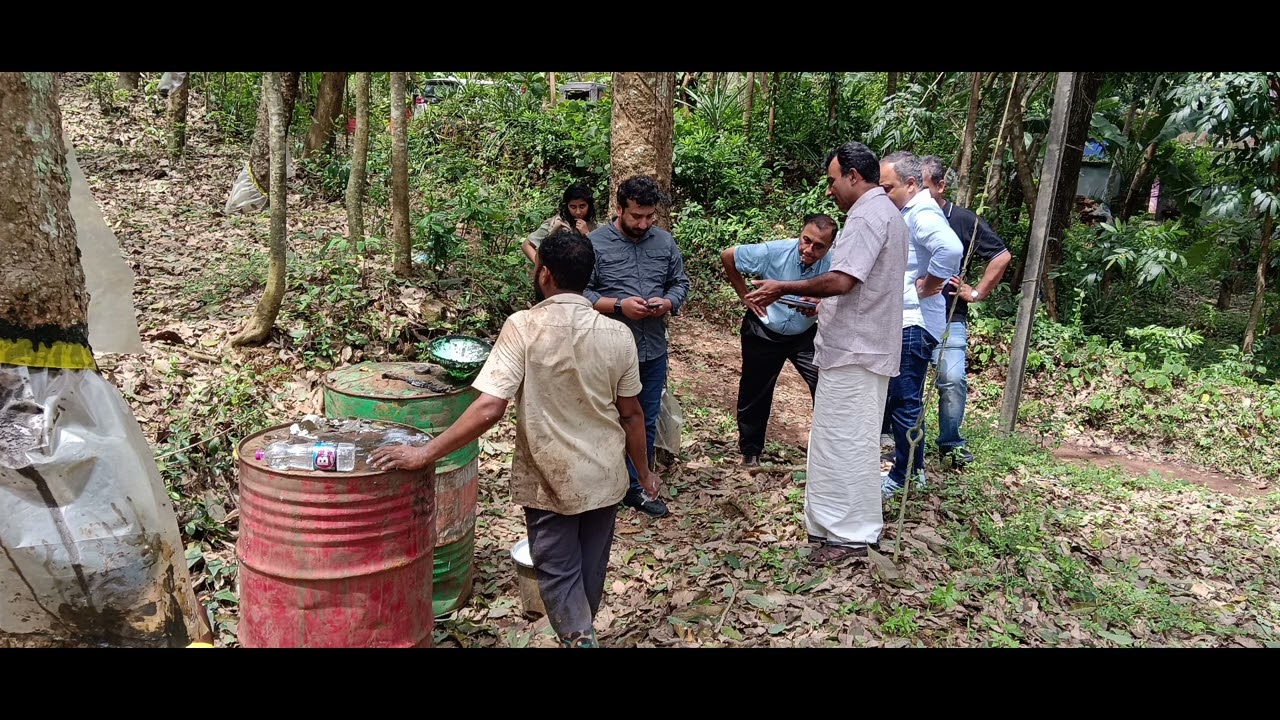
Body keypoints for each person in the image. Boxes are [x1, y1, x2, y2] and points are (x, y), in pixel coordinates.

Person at [370, 231, 661, 649]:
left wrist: (426, 453)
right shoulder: (618, 335)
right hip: (605, 478)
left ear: (544, 273)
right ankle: (582, 634)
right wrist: (645, 473)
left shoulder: (523, 327)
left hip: (551, 479)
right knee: (587, 572)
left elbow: (490, 407)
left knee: (558, 574)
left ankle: (579, 639)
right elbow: (632, 414)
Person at [744, 141, 908, 564]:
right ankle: (831, 526)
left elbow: (841, 281)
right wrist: (820, 302)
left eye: (833, 180)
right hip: (855, 347)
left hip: (857, 351)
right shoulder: (881, 213)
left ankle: (850, 534)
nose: (829, 190)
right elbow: (855, 287)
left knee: (848, 442)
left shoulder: (869, 215)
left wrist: (783, 286)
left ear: (854, 176)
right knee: (837, 440)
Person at [583, 175, 690, 518]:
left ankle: (633, 487)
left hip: (652, 348)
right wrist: (618, 306)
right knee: (603, 418)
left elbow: (680, 283)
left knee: (643, 418)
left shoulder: (665, 242)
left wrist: (670, 302)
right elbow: (579, 293)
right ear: (619, 208)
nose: (643, 224)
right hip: (606, 352)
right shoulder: (595, 243)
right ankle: (602, 483)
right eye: (636, 217)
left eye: (649, 217)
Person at [876, 152, 963, 497]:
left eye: (888, 188)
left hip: (913, 322)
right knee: (901, 399)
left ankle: (907, 473)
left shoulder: (921, 211)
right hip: (907, 321)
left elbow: (950, 248)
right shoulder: (912, 210)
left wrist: (930, 283)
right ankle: (912, 469)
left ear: (911, 184)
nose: (884, 195)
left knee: (904, 400)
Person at [720, 213, 838, 466]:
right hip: (764, 328)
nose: (809, 249)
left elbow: (843, 292)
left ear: (830, 246)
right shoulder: (773, 251)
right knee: (756, 389)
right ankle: (750, 451)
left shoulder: (836, 263)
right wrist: (744, 296)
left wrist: (820, 305)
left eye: (819, 246)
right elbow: (728, 255)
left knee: (826, 385)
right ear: (800, 234)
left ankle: (824, 452)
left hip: (805, 333)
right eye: (806, 240)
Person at [919, 155, 1013, 467]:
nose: (917, 193)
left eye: (924, 186)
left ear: (941, 186)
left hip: (950, 316)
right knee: (908, 381)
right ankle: (904, 441)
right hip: (912, 314)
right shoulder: (905, 215)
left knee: (952, 378)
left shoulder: (961, 220)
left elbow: (1000, 256)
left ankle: (950, 443)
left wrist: (975, 292)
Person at [521, 183, 598, 263]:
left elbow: (603, 254)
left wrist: (587, 234)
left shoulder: (597, 227)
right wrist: (542, 268)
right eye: (573, 207)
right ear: (567, 206)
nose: (578, 212)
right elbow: (526, 245)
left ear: (589, 206)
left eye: (582, 206)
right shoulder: (556, 223)